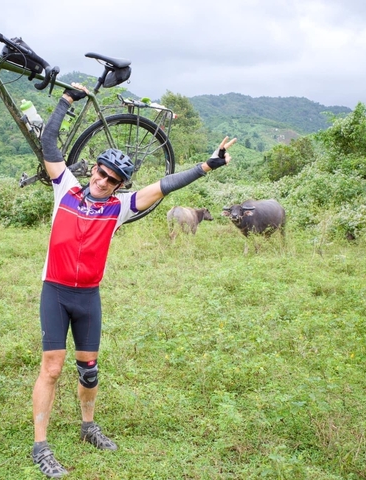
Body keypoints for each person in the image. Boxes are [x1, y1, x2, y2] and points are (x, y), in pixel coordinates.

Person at [31, 82, 236, 478]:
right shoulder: (66, 190)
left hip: (88, 297)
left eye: (112, 179)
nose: (103, 181)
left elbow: (165, 185)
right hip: (54, 292)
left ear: (120, 185)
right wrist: (67, 100)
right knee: (52, 369)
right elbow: (51, 143)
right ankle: (41, 446)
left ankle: (89, 427)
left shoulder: (120, 207)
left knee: (89, 369)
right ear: (92, 169)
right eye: (101, 172)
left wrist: (209, 164)